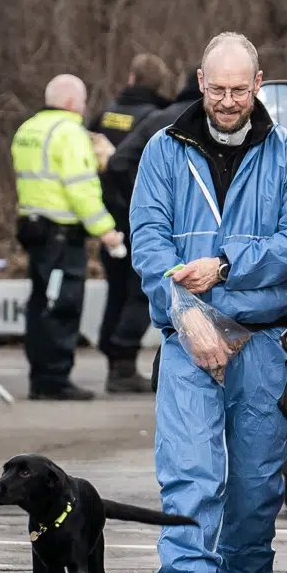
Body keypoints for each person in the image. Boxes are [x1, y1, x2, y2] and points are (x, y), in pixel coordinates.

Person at [131, 33, 287, 573]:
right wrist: (184, 310)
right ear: (200, 81)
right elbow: (149, 241)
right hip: (189, 338)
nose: (229, 101)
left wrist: (224, 265)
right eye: (218, 89)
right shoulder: (164, 151)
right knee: (189, 473)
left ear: (259, 84)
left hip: (261, 343)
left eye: (240, 89)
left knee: (256, 483)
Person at [12, 74, 125, 401]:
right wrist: (106, 231)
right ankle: (54, 378)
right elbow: (81, 189)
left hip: (34, 228)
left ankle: (41, 374)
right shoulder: (70, 134)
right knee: (62, 304)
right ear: (73, 102)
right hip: (61, 235)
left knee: (41, 303)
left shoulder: (28, 129)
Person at [98, 73, 204, 393]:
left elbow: (117, 163)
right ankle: (123, 363)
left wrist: (138, 203)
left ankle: (119, 360)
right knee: (148, 291)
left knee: (129, 289)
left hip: (138, 220)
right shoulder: (201, 122)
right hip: (180, 226)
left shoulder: (158, 118)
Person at [90, 54, 175, 393]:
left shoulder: (103, 115)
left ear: (130, 77)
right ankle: (122, 363)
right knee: (138, 291)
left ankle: (113, 358)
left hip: (105, 217)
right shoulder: (154, 119)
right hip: (136, 216)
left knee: (116, 289)